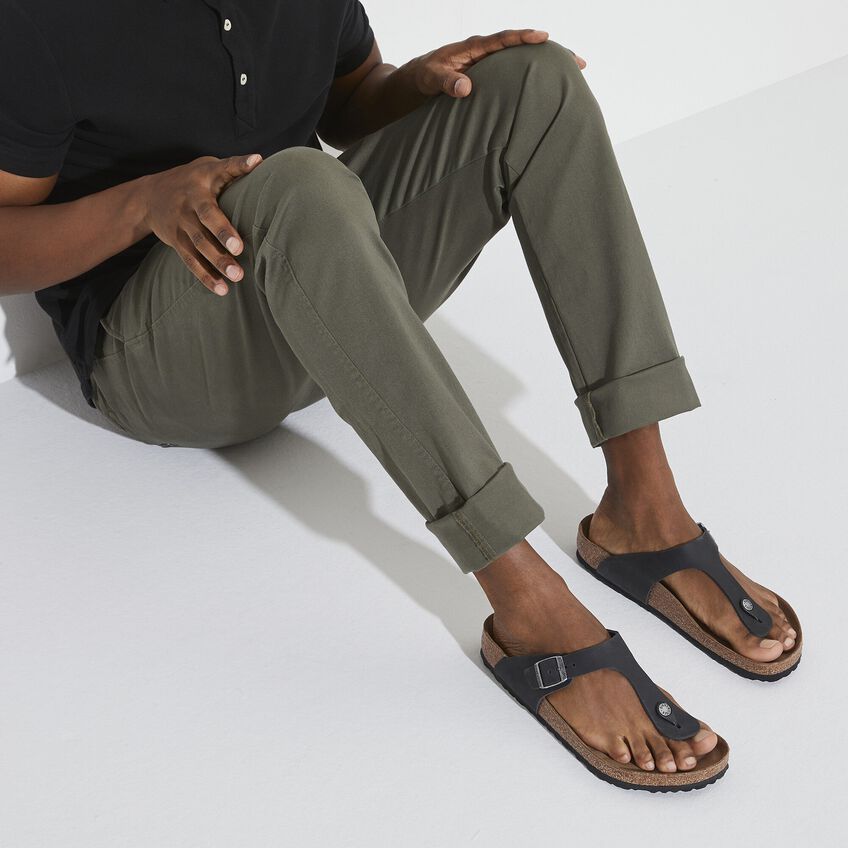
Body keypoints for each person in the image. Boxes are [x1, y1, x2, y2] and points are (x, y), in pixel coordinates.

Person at [0, 1, 801, 791]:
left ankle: (644, 509)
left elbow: (350, 98)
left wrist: (412, 86)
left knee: (536, 79)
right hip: (165, 362)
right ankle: (525, 599)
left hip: (330, 300)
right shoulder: (42, 18)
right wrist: (142, 203)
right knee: (300, 181)